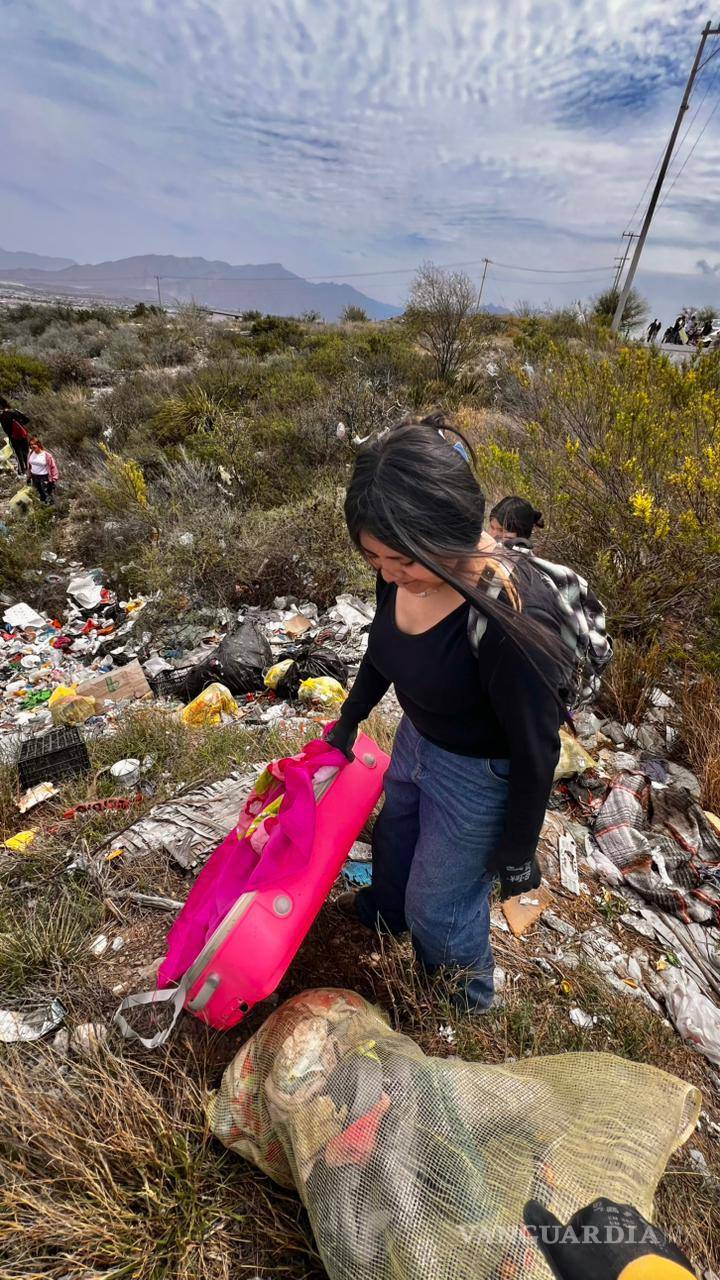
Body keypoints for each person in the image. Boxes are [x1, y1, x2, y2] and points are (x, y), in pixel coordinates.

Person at [327, 421, 565, 1012]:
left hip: (481, 773)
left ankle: (465, 1004)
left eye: (398, 561)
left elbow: (538, 748)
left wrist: (517, 851)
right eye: (373, 558)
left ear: (445, 533)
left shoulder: (510, 614)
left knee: (440, 903)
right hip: (417, 738)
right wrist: (352, 718)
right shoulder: (402, 569)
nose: (385, 574)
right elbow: (386, 652)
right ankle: (386, 913)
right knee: (395, 836)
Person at [0, 395, 31, 475]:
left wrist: (11, 433)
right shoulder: (15, 411)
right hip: (22, 435)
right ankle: (29, 470)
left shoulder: (2, 416)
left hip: (13, 438)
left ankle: (22, 472)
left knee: (18, 454)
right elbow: (26, 420)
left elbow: (5, 429)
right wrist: (19, 424)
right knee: (26, 452)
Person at [26, 436, 59, 503]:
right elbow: (29, 465)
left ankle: (51, 508)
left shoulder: (46, 455)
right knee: (39, 493)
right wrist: (29, 476)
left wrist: (53, 478)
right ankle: (43, 507)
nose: (32, 446)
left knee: (47, 494)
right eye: (30, 445)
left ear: (38, 444)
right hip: (34, 477)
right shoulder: (31, 453)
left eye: (34, 444)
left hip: (44, 477)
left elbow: (53, 467)